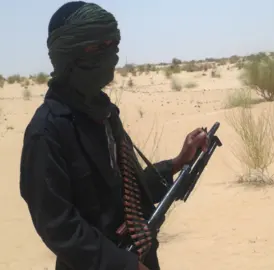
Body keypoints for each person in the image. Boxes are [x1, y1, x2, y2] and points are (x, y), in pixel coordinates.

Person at [19, 2, 208, 270]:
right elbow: (58, 227)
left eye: (113, 45)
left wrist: (178, 162)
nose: (111, 57)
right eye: (97, 47)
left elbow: (131, 190)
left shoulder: (105, 114)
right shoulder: (46, 132)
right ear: (68, 56)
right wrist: (122, 264)